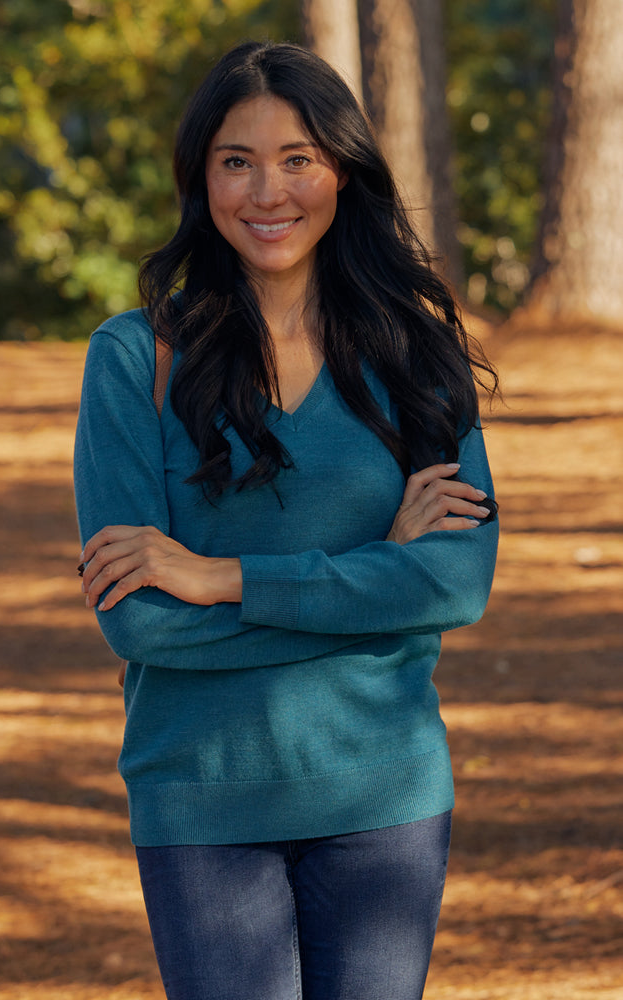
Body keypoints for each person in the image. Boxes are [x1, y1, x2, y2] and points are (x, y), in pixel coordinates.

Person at [73, 40, 499, 1000]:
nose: (268, 192)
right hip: (202, 798)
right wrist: (375, 578)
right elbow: (140, 621)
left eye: (297, 158)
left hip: (384, 792)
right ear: (202, 178)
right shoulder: (135, 358)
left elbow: (454, 582)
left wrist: (218, 576)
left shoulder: (414, 353)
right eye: (237, 161)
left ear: (341, 169)